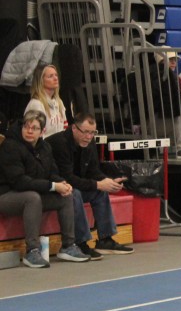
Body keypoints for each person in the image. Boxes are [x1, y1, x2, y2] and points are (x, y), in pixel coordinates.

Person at [0, 110, 91, 268]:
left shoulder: (45, 147)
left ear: (42, 131)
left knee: (67, 195)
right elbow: (19, 182)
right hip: (6, 196)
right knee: (32, 198)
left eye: (34, 128)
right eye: (26, 127)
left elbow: (52, 173)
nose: (29, 131)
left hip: (33, 194)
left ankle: (68, 246)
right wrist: (53, 186)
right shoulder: (10, 146)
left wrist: (62, 183)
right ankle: (32, 251)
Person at [48, 112, 135, 259]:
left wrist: (108, 182)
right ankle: (81, 243)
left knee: (100, 192)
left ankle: (105, 239)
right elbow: (67, 178)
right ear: (74, 128)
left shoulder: (89, 142)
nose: (89, 136)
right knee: (75, 193)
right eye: (85, 132)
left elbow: (93, 171)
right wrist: (97, 184)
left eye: (92, 132)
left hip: (75, 184)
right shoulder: (59, 144)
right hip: (56, 187)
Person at [25, 64, 68, 138]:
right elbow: (33, 134)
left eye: (56, 75)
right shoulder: (36, 104)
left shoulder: (59, 102)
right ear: (41, 81)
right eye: (50, 76)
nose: (55, 78)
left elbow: (65, 127)